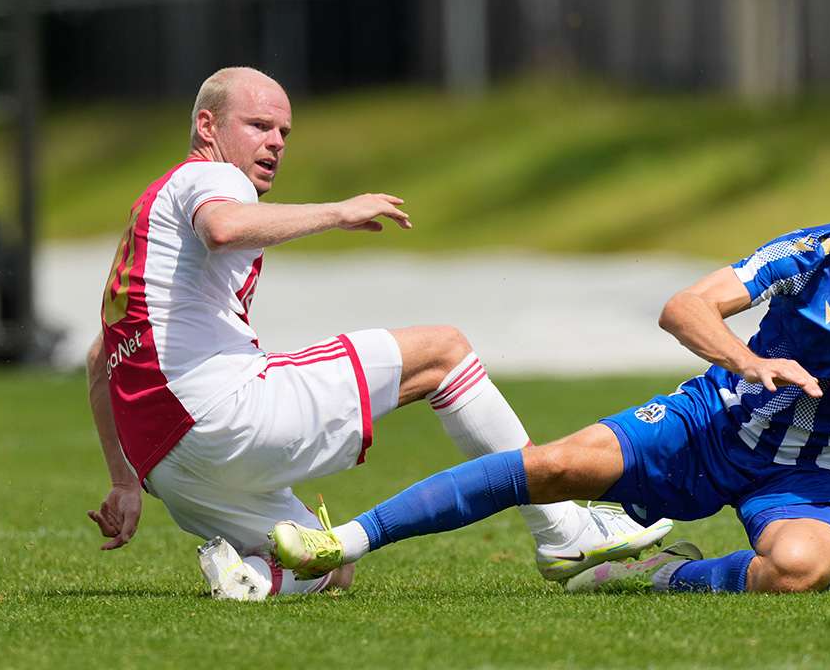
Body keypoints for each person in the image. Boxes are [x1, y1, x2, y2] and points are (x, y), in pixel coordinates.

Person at [272, 151, 830, 595]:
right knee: (554, 466)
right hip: (714, 422)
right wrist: (749, 359)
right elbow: (686, 306)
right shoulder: (813, 257)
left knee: (805, 569)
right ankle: (340, 541)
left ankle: (661, 572)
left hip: (814, 479)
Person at [85, 67, 671, 601]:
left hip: (169, 467)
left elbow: (98, 356)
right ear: (207, 125)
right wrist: (339, 211)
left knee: (330, 565)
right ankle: (563, 530)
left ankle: (252, 581)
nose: (276, 143)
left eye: (285, 131)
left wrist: (124, 480)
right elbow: (224, 226)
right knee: (443, 351)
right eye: (259, 125)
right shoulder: (210, 177)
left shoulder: (151, 216)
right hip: (224, 416)